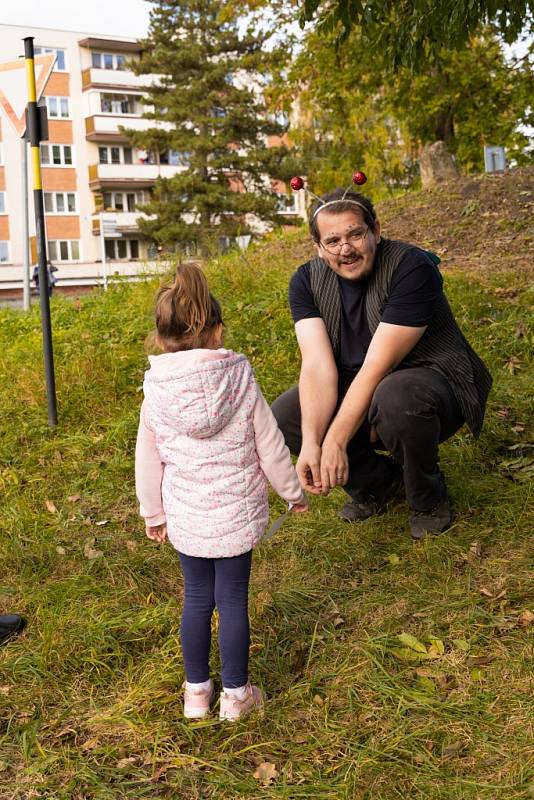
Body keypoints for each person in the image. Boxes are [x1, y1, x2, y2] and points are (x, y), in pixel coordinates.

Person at [135, 263, 307, 722]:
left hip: (188, 515)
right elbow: (269, 442)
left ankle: (196, 695)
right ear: (217, 331)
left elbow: (147, 456)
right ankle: (235, 697)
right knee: (232, 600)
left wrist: (154, 512)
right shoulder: (238, 375)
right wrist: (292, 492)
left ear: (161, 338)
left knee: (196, 597)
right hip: (236, 513)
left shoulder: (157, 387)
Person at [272, 187, 492, 539]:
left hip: (431, 381)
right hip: (363, 387)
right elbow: (316, 364)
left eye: (355, 234)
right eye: (333, 240)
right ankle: (378, 483)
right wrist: (313, 441)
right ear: (318, 247)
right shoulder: (306, 281)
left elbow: (379, 364)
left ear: (375, 230)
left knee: (395, 397)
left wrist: (336, 441)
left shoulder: (410, 267)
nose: (346, 248)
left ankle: (427, 497)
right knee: (287, 414)